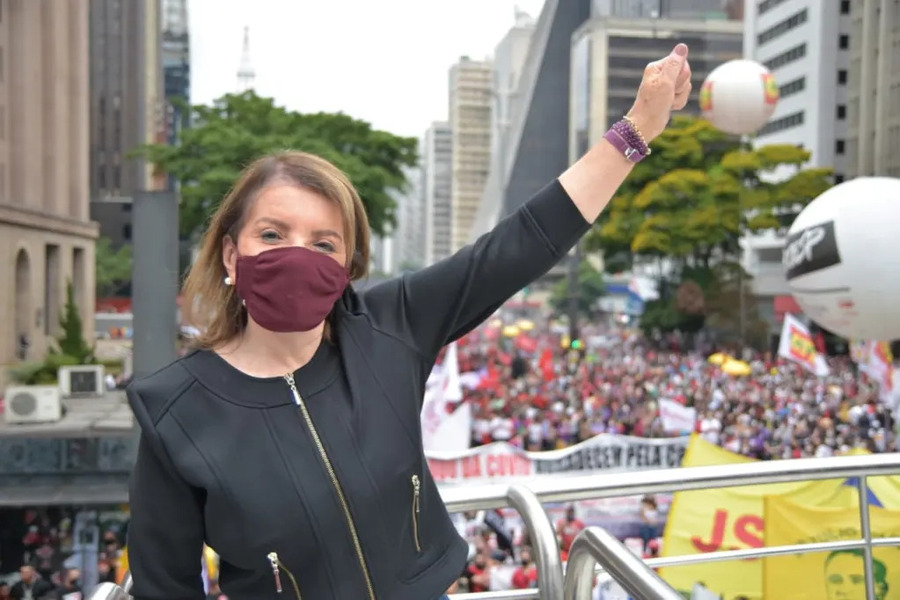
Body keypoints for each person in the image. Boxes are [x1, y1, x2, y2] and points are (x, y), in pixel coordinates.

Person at [126, 44, 693, 600]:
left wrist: (637, 129)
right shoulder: (174, 411)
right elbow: (163, 586)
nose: (297, 256)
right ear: (231, 255)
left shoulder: (388, 326)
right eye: (272, 235)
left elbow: (521, 243)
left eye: (323, 243)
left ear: (348, 268)